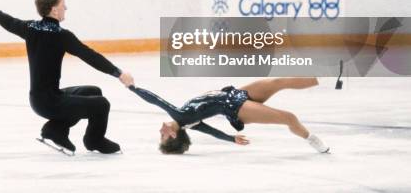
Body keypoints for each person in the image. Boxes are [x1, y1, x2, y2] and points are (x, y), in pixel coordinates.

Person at [0, 0, 134, 154]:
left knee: (93, 91)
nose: (66, 8)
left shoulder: (30, 27)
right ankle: (94, 140)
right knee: (101, 104)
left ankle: (55, 131)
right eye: (63, 4)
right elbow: (89, 55)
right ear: (55, 9)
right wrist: (119, 73)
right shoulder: (61, 35)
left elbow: (8, 21)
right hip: (50, 103)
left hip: (39, 99)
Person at [129, 77, 329, 154]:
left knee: (278, 82)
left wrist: (230, 138)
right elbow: (155, 100)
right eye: (163, 135)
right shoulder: (180, 116)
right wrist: (133, 88)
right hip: (236, 107)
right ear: (172, 135)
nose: (160, 131)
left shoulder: (189, 123)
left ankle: (324, 79)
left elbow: (213, 132)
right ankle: (312, 139)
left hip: (235, 93)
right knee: (289, 118)